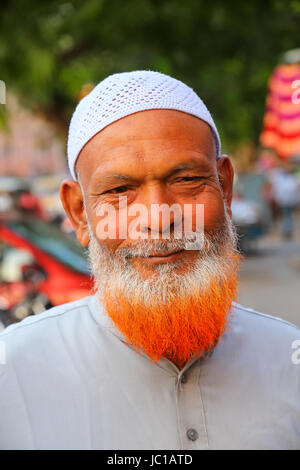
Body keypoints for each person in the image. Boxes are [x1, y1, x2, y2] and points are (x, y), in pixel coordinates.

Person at [0, 71, 299, 450]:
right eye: (120, 189)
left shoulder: (289, 361)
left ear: (224, 187)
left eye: (187, 179)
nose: (159, 217)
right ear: (78, 213)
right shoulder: (13, 374)